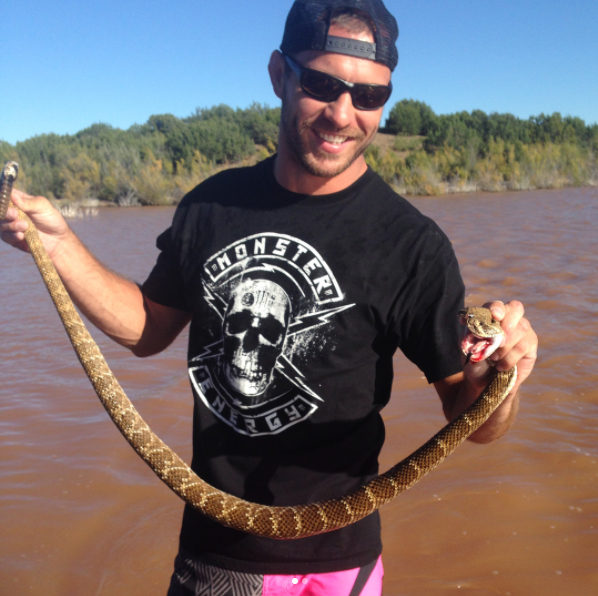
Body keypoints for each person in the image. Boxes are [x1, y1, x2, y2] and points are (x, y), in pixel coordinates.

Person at [1, 0, 538, 594]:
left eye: (368, 96)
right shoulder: (211, 205)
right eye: (321, 84)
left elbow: (473, 424)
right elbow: (147, 329)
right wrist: (58, 244)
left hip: (342, 561)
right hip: (216, 556)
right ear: (280, 74)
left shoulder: (412, 245)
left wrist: (501, 380)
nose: (342, 114)